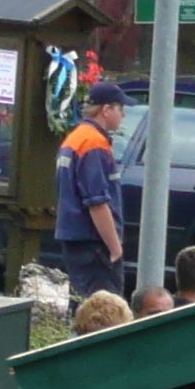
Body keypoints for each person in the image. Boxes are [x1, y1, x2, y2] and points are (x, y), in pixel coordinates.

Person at [53, 81, 130, 296]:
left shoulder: (74, 139)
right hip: (94, 244)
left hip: (75, 240)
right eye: (120, 109)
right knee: (105, 312)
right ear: (107, 110)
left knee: (84, 307)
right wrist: (115, 248)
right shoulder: (94, 144)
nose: (123, 115)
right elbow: (97, 202)